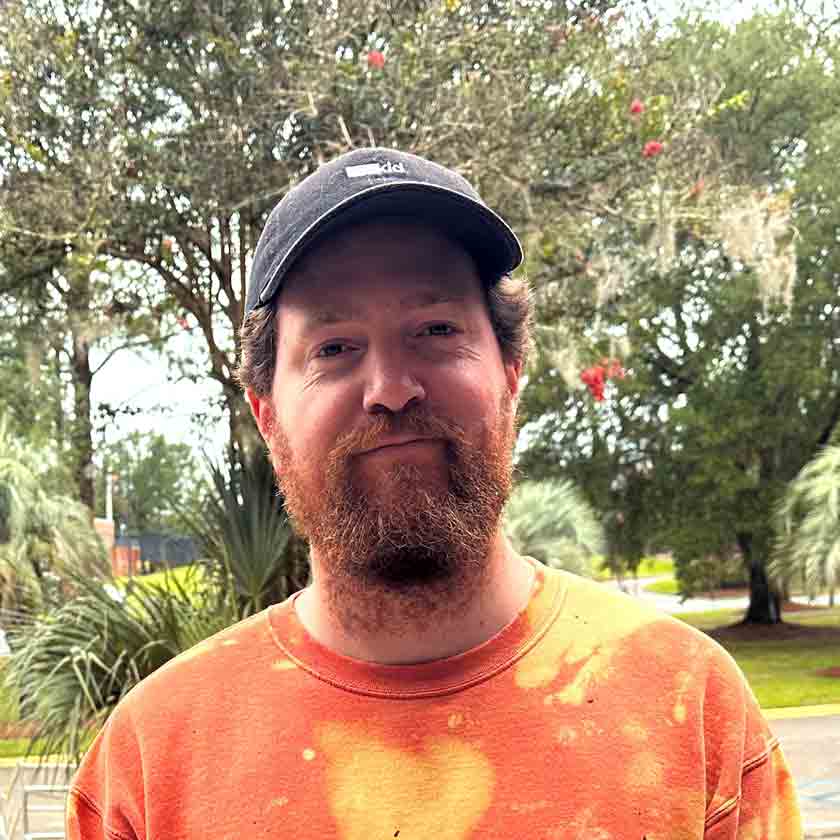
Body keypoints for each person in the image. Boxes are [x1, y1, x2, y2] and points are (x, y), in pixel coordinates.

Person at [67, 149, 803, 839]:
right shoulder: (148, 764)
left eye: (436, 329)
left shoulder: (694, 712)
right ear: (267, 417)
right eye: (334, 348)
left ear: (511, 371)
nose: (391, 388)